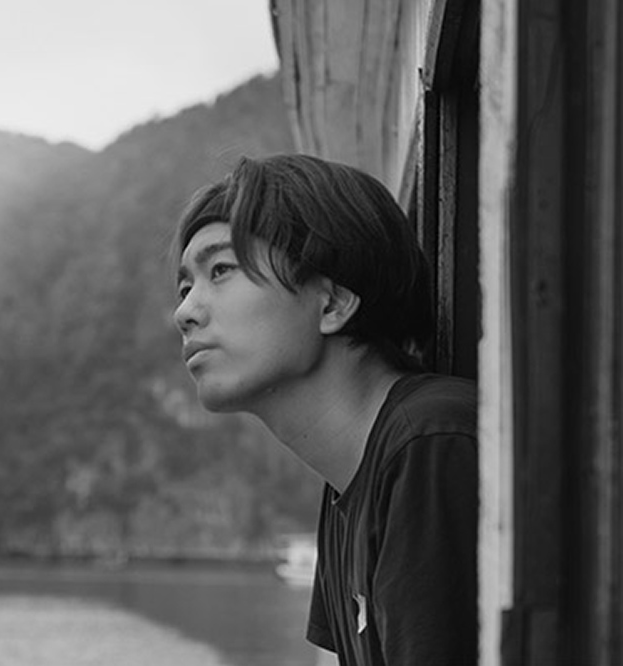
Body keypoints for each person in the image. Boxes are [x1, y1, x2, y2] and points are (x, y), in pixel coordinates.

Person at [172, 154, 478, 665]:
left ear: (332, 303)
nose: (184, 312)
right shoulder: (347, 486)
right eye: (186, 288)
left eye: (220, 270)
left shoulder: (430, 443)